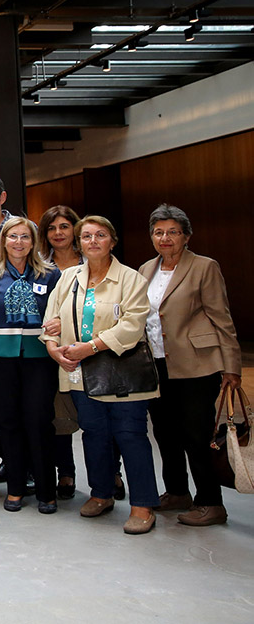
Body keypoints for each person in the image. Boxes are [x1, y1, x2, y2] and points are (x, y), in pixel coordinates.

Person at [41, 215, 158, 535]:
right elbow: (51, 318)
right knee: (93, 434)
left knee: (130, 435)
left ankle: (143, 505)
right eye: (87, 236)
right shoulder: (68, 278)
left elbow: (132, 326)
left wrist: (88, 348)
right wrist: (53, 347)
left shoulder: (131, 279)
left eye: (100, 235)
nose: (93, 241)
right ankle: (101, 493)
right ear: (79, 243)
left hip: (122, 373)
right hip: (79, 373)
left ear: (113, 241)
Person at [140, 204, 242, 527]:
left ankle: (211, 503)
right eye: (159, 232)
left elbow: (221, 318)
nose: (165, 238)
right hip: (157, 364)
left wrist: (232, 367)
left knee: (196, 434)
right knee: (165, 433)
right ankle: (178, 492)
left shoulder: (203, 267)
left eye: (173, 232)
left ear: (186, 235)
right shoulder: (145, 269)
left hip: (197, 365)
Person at [0, 217, 62, 514]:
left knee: (38, 421)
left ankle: (47, 490)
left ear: (33, 242)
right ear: (4, 241)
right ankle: (16, 487)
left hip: (39, 360)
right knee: (7, 423)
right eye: (13, 237)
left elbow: (60, 316)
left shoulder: (50, 275)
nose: (18, 242)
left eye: (25, 237)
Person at [36, 204, 83, 498]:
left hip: (95, 350)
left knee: (99, 416)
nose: (58, 233)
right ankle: (65, 472)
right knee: (60, 415)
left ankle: (112, 474)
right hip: (55, 353)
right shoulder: (41, 268)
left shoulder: (94, 260)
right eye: (52, 228)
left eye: (64, 226)